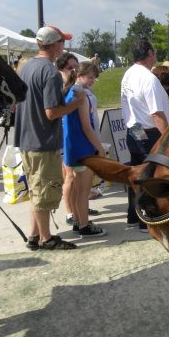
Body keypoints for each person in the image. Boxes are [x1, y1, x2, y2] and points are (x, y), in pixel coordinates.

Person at [14, 25, 84, 250]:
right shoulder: (50, 72)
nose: (63, 46)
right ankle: (46, 238)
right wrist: (75, 104)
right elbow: (51, 112)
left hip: (26, 139)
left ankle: (34, 235)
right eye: (62, 42)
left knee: (37, 188)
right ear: (54, 45)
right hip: (42, 141)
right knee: (45, 191)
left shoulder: (26, 67)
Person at [121, 39, 169, 232]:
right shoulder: (148, 79)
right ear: (149, 53)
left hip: (133, 130)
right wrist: (168, 138)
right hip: (149, 133)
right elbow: (157, 114)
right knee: (148, 177)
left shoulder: (128, 74)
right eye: (154, 51)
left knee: (136, 174)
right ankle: (145, 220)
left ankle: (133, 216)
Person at [62, 61, 107, 237]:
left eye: (94, 78)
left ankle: (77, 221)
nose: (93, 81)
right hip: (83, 147)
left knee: (76, 189)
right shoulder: (81, 95)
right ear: (79, 76)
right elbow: (87, 127)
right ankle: (84, 226)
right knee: (83, 190)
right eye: (90, 77)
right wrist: (99, 148)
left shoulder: (69, 91)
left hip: (71, 146)